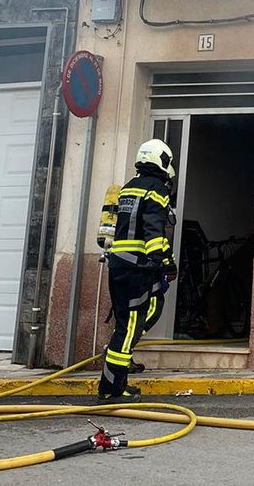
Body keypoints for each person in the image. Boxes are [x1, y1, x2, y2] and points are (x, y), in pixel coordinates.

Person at [97, 139, 179, 402]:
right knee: (130, 324)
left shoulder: (129, 187)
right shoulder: (156, 189)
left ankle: (121, 352)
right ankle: (112, 389)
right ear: (162, 161)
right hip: (139, 265)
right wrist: (165, 261)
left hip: (122, 264)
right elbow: (153, 230)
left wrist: (164, 258)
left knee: (149, 309)